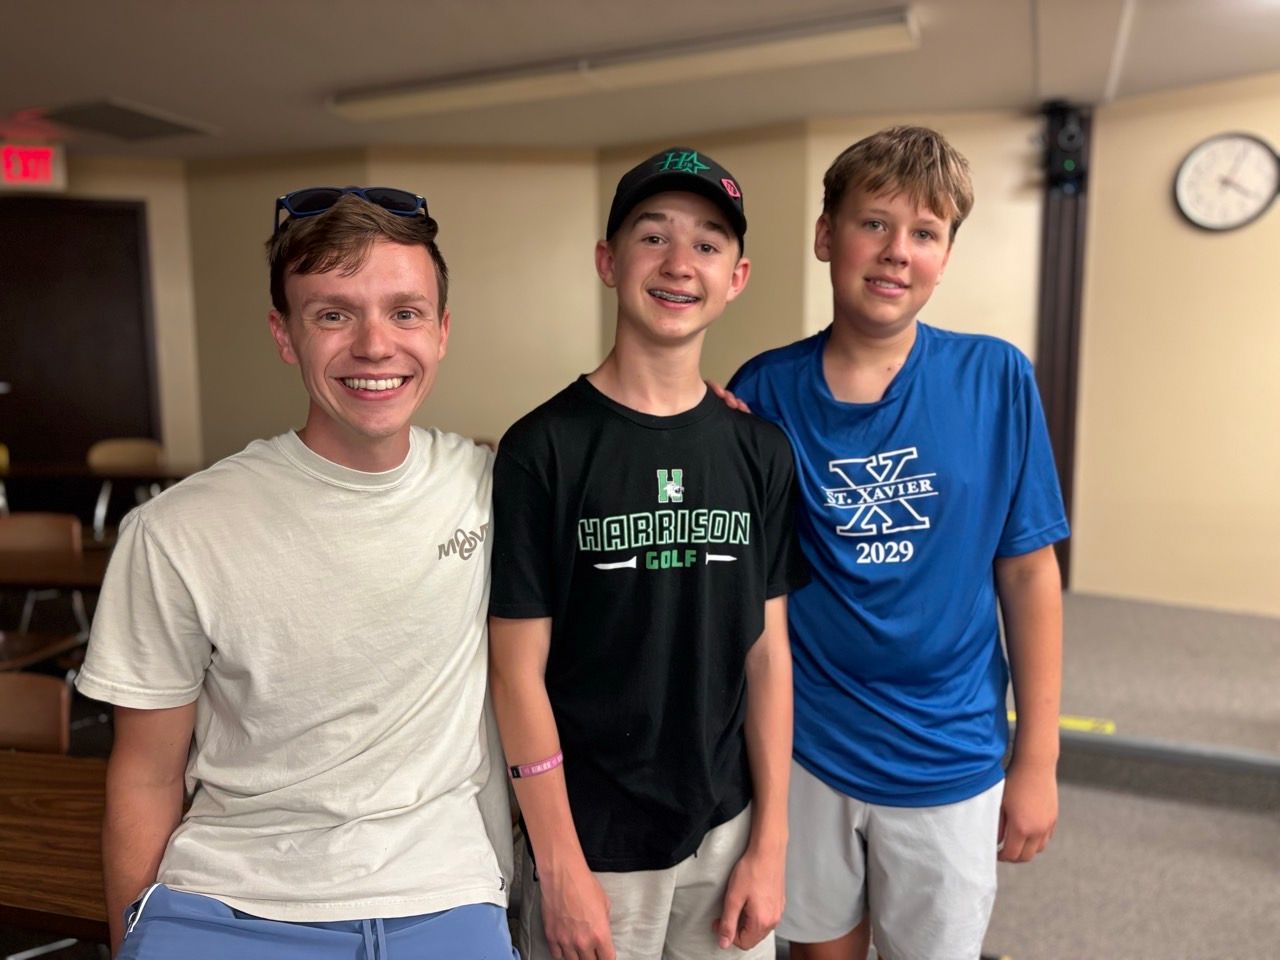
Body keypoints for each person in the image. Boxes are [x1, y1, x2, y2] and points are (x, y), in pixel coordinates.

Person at [76, 187, 517, 959]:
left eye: (405, 312)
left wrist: (713, 415)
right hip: (227, 899)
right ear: (285, 334)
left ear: (442, 331)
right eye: (334, 314)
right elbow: (145, 775)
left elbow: (628, 457)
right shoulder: (176, 532)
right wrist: (132, 943)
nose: (375, 346)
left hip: (440, 892)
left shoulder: (491, 487)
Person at [726, 126, 1069, 960]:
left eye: (925, 232)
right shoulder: (763, 390)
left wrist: (1038, 758)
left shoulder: (996, 379)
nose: (896, 252)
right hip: (809, 747)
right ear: (826, 236)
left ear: (945, 258)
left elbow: (1028, 576)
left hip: (949, 750)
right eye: (873, 223)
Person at [488, 147, 807, 960]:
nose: (678, 263)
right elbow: (516, 672)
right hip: (592, 849)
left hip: (726, 835)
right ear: (608, 261)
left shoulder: (761, 451)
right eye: (652, 236)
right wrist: (559, 865)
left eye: (707, 244)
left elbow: (767, 654)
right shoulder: (542, 450)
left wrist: (770, 842)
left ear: (736, 277)